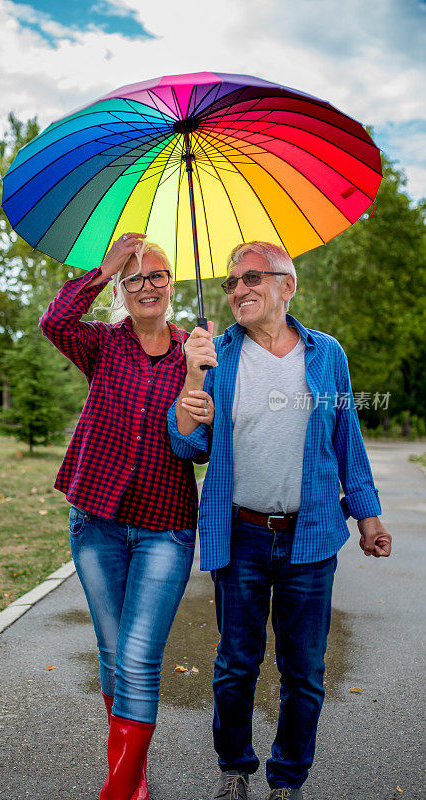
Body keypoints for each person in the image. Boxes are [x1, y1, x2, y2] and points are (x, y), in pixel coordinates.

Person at [167, 241, 392, 800]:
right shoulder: (213, 354)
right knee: (235, 666)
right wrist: (193, 383)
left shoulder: (326, 355)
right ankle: (235, 768)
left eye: (250, 279)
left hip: (311, 534)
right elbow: (186, 446)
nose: (238, 290)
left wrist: (368, 516)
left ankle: (287, 779)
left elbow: (347, 442)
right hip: (239, 534)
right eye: (231, 282)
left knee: (304, 675)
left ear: (286, 286)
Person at [39, 233, 213, 800]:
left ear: (171, 285)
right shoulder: (102, 346)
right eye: (133, 278)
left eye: (155, 275)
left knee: (138, 658)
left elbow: (199, 449)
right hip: (97, 523)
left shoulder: (197, 351)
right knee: (114, 656)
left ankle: (115, 792)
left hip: (164, 525)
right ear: (122, 288)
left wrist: (197, 380)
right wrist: (106, 263)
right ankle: (133, 780)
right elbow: (55, 322)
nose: (145, 285)